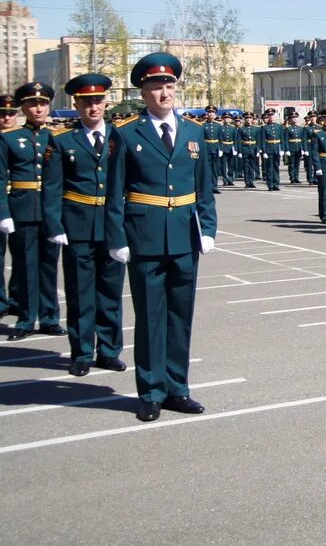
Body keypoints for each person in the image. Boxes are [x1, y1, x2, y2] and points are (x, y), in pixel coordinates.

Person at [106, 53, 217, 422]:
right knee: (151, 318)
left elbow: (204, 188)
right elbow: (115, 192)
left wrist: (209, 229)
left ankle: (178, 389)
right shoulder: (125, 133)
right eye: (156, 86)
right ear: (144, 91)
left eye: (170, 85)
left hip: (185, 237)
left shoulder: (193, 131)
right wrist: (117, 237)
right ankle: (151, 391)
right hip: (145, 236)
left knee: (180, 316)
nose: (165, 92)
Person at [42, 73, 127, 376]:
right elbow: (52, 187)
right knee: (80, 293)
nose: (93, 107)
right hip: (77, 225)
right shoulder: (63, 140)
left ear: (106, 103)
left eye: (98, 101)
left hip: (112, 225)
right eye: (86, 102)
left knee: (111, 291)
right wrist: (54, 225)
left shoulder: (121, 137)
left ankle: (109, 350)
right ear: (76, 105)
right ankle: (80, 353)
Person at [0, 81, 65, 340]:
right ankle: (26, 318)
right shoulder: (9, 138)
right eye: (32, 104)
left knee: (49, 265)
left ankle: (50, 317)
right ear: (23, 108)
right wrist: (3, 212)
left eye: (42, 104)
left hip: (51, 210)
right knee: (25, 266)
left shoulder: (57, 137)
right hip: (22, 208)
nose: (38, 109)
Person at [0, 94, 17, 319]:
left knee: (22, 259)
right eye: (2, 114)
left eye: (11, 113)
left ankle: (16, 300)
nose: (6, 118)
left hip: (19, 203)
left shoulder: (24, 138)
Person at [200, 105, 223, 194]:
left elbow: (220, 138)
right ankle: (207, 187)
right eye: (209, 112)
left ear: (215, 115)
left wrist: (220, 148)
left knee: (215, 169)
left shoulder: (218, 125)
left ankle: (214, 186)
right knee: (207, 169)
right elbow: (201, 138)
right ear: (207, 114)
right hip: (207, 148)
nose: (211, 114)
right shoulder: (203, 125)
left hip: (216, 148)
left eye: (212, 113)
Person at [239, 111, 262, 188]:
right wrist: (239, 151)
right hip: (245, 148)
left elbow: (258, 140)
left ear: (252, 119)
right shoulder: (241, 129)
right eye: (247, 118)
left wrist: (258, 149)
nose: (248, 120)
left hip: (253, 148)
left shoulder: (256, 129)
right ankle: (247, 182)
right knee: (246, 166)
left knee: (252, 165)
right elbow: (239, 141)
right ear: (244, 119)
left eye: (250, 118)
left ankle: (251, 181)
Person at [284, 111, 306, 184]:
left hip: (298, 147)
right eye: (292, 118)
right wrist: (287, 149)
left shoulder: (301, 128)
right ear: (290, 119)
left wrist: (303, 149)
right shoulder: (288, 128)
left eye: (295, 117)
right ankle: (292, 178)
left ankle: (296, 177)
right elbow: (286, 140)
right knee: (291, 164)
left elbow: (303, 139)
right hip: (291, 147)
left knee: (297, 163)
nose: (294, 119)